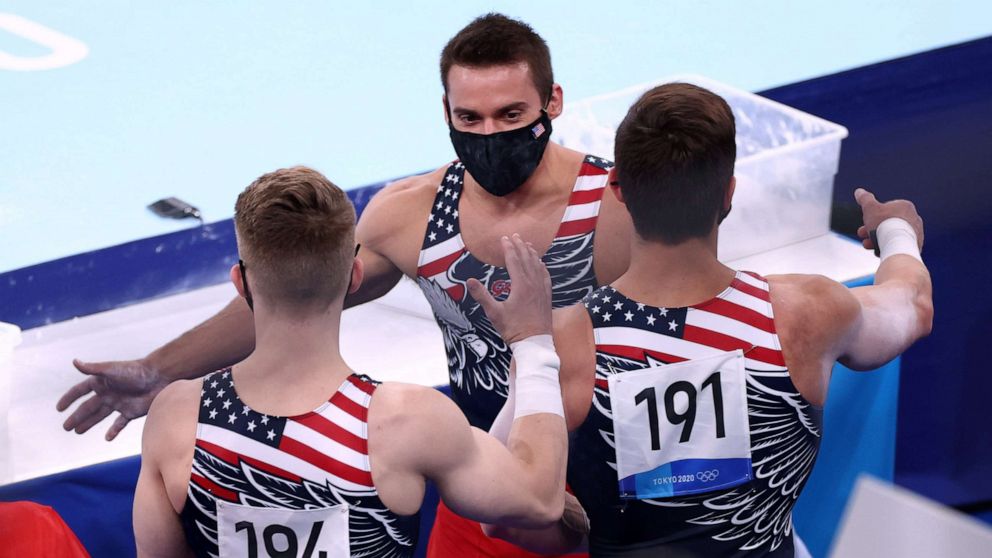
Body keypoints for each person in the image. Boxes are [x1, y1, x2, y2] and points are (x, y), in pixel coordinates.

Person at [60, 12, 628, 557]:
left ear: (552, 103)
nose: (490, 135)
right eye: (469, 119)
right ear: (445, 112)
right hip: (482, 485)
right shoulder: (414, 213)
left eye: (510, 115)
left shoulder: (615, 205)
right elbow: (294, 291)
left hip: (621, 487)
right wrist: (161, 368)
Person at [484, 83, 934, 556]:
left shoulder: (561, 344)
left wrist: (589, 528)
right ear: (729, 193)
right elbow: (912, 304)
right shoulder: (806, 311)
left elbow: (506, 514)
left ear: (616, 188)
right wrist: (896, 230)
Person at [132, 166, 571, 557]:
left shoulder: (177, 417)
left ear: (240, 283)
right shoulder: (407, 421)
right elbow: (540, 499)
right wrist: (532, 344)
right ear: (355, 276)